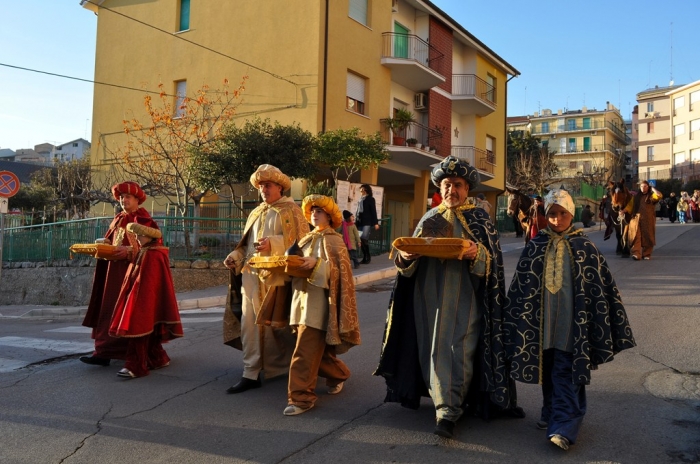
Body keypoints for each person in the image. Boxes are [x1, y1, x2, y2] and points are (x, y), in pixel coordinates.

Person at [375, 155, 522, 440]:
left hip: (466, 300)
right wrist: (405, 257)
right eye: (445, 184)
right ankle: (445, 401)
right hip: (426, 301)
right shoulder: (430, 219)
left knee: (456, 350)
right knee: (430, 351)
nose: (450, 190)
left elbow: (491, 265)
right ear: (438, 188)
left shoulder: (480, 219)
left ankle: (448, 411)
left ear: (467, 189)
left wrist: (476, 253)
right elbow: (406, 267)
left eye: (456, 184)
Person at [504, 189, 636, 451]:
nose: (556, 219)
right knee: (549, 368)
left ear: (571, 214)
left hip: (572, 322)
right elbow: (522, 285)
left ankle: (564, 425)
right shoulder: (536, 245)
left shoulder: (585, 246)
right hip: (541, 325)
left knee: (567, 368)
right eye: (552, 214)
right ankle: (551, 411)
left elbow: (601, 287)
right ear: (545, 215)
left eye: (562, 213)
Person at [223, 164, 310, 394]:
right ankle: (250, 372)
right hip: (251, 277)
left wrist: (275, 244)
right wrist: (235, 256)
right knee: (248, 326)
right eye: (261, 186)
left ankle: (297, 368)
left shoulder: (291, 210)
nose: (263, 189)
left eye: (268, 185)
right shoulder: (256, 212)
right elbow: (248, 246)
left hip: (278, 278)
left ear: (280, 187)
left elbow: (301, 243)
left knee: (280, 328)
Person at [281, 195, 361, 416]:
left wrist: (317, 264)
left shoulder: (334, 241)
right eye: (313, 211)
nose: (315, 214)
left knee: (304, 353)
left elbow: (340, 274)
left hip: (319, 305)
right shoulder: (305, 239)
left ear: (329, 216)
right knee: (314, 351)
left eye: (320, 211)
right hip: (299, 302)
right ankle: (339, 374)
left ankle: (301, 398)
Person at [80, 181, 156, 367]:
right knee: (107, 311)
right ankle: (103, 352)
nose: (124, 200)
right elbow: (113, 241)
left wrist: (129, 252)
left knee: (129, 314)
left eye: (128, 197)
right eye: (121, 197)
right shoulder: (118, 218)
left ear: (138, 200)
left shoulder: (144, 218)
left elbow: (151, 248)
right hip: (112, 274)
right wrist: (103, 244)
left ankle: (136, 354)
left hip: (133, 274)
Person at [109, 222, 184, 379]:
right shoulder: (146, 251)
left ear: (150, 237)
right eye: (136, 235)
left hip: (144, 297)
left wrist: (138, 297)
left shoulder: (154, 254)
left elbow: (149, 280)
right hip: (142, 295)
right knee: (149, 329)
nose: (137, 238)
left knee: (138, 328)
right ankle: (158, 359)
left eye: (140, 235)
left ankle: (135, 366)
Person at [629, 180, 662, 260]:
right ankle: (636, 253)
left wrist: (652, 189)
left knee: (648, 236)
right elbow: (630, 206)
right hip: (637, 219)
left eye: (645, 186)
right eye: (641, 186)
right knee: (636, 236)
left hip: (648, 219)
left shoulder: (651, 196)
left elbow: (659, 195)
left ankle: (647, 253)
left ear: (648, 187)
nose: (643, 188)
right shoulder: (636, 196)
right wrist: (622, 211)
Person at [355, 184, 379, 264]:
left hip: (367, 222)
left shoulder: (370, 199)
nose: (361, 191)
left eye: (362, 189)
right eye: (360, 190)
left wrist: (375, 223)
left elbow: (373, 211)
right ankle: (364, 257)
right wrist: (355, 221)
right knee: (360, 240)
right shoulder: (360, 199)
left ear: (366, 190)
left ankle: (368, 257)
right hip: (360, 221)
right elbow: (358, 211)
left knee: (364, 238)